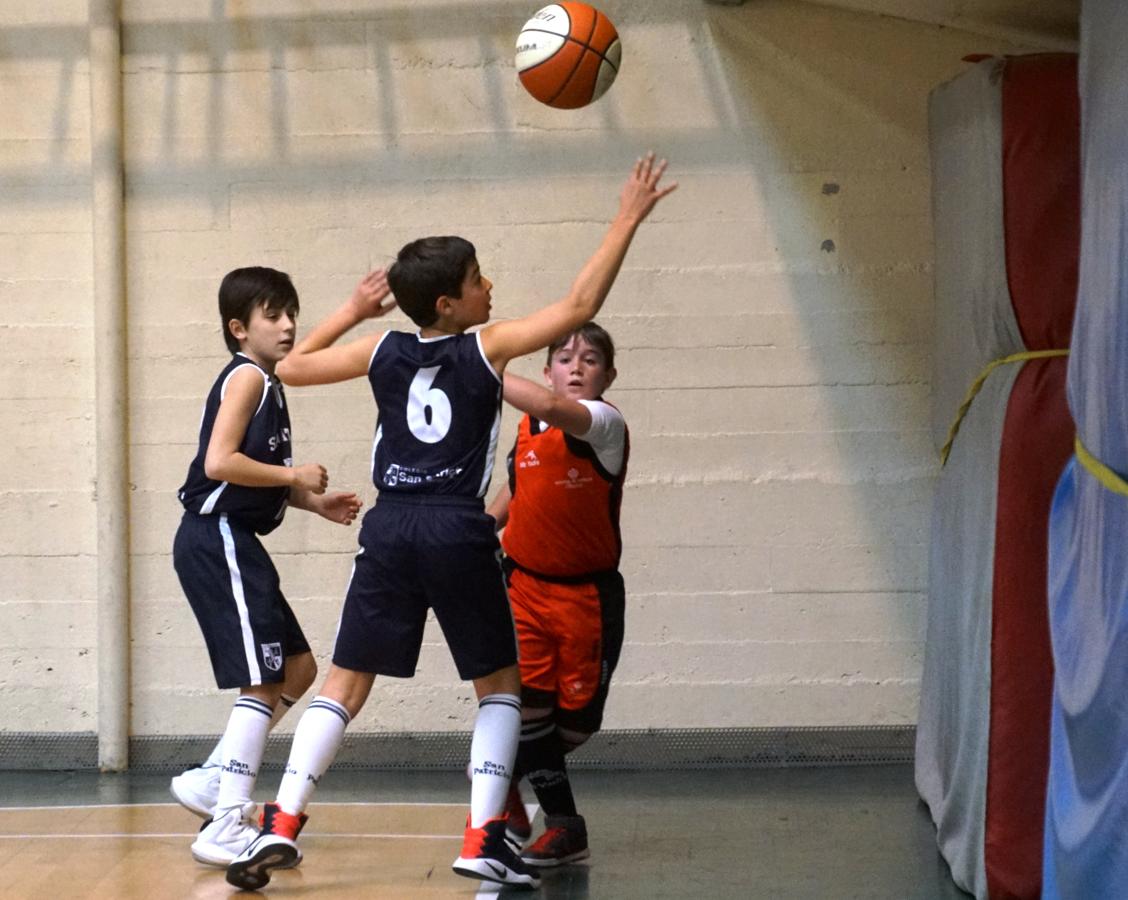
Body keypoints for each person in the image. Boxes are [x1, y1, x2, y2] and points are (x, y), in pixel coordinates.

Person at [224, 153, 676, 892]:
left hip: (390, 528)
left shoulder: (384, 350)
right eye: (477, 281)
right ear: (448, 304)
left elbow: (293, 368)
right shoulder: (485, 347)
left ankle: (280, 822)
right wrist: (626, 217)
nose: (488, 287)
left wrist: (352, 312)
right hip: (457, 528)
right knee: (500, 687)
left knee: (344, 681)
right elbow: (577, 303)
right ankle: (482, 836)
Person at [171, 266, 363, 868]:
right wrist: (294, 475)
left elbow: (247, 473)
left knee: (298, 669)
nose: (288, 325)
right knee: (263, 678)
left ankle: (211, 778)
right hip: (216, 537)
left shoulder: (268, 382)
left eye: (291, 313)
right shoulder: (248, 379)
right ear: (238, 328)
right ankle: (226, 821)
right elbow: (221, 461)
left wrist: (311, 500)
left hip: (234, 536)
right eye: (273, 315)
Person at [485, 321, 628, 868]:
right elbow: (518, 491)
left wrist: (480, 363)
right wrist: (483, 527)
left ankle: (505, 779)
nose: (576, 366)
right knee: (529, 711)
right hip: (523, 587)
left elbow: (554, 405)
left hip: (586, 599)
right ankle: (565, 825)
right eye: (564, 358)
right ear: (548, 370)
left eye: (589, 360)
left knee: (574, 726)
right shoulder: (527, 427)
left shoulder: (604, 424)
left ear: (607, 376)